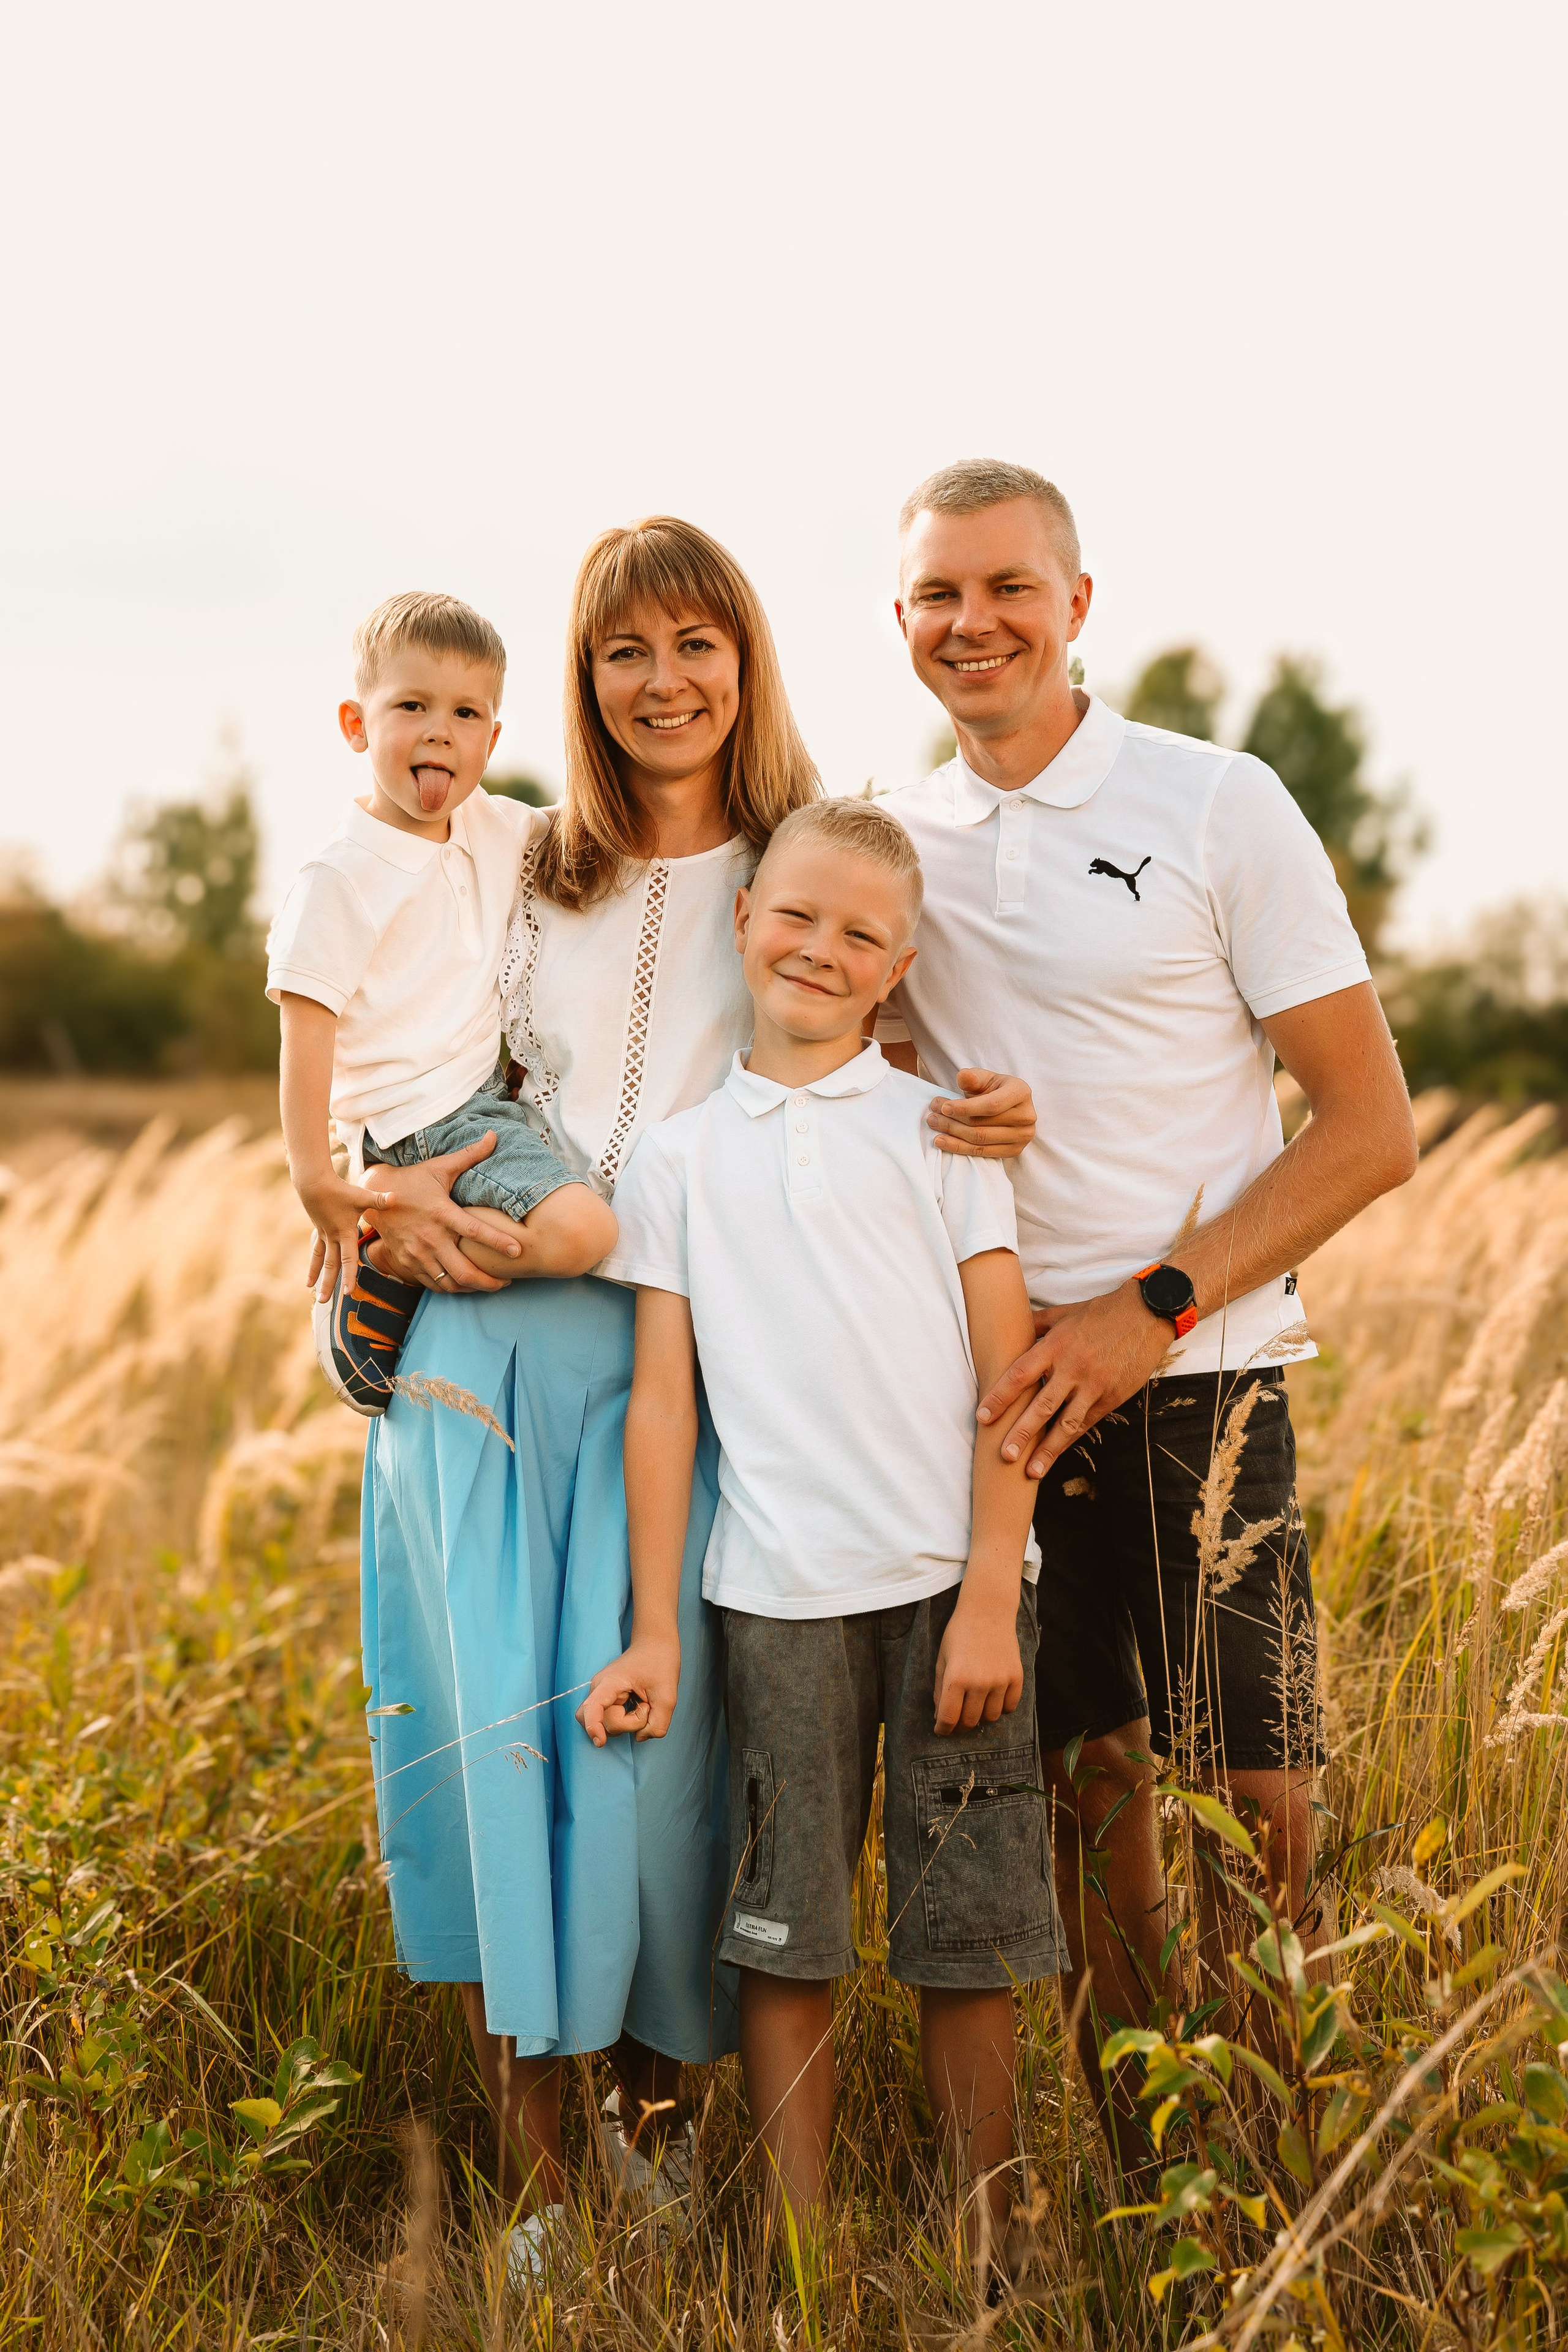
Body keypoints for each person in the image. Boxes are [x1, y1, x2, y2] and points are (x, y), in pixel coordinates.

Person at [337, 519, 1041, 2275]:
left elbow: (922, 1036)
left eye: (696, 644)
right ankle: (547, 2197)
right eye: (623, 652)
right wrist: (361, 1227)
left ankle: (656, 2148)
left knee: (660, 1797)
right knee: (506, 1774)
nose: (664, 683)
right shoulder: (511, 858)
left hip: (691, 1396)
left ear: (748, 658)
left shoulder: (804, 855)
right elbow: (390, 1048)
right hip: (490, 1374)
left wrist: (998, 1109)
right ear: (581, 685)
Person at [877, 459, 1419, 2171]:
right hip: (1010, 1398)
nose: (974, 624)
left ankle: (1279, 2176)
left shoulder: (1216, 803)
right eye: (937, 598)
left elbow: (1371, 1127)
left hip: (1205, 1373)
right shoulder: (896, 840)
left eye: (1008, 588)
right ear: (903, 625)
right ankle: (1149, 2188)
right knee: (1091, 1797)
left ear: (1079, 604)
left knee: (1257, 1803)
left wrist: (1149, 1312)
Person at [580, 797, 1066, 2263]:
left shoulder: (940, 1137)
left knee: (963, 1930)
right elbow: (662, 1409)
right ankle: (809, 2243)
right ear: (743, 920)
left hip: (948, 1593)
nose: (819, 948)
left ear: (898, 963)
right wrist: (660, 1626)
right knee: (785, 1926)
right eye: (794, 914)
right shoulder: (672, 1162)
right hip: (773, 1597)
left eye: (862, 934)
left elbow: (1008, 1379)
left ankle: (989, 2241)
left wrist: (992, 1587)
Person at [267, 591, 616, 1417]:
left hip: (490, 1101)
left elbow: (600, 833)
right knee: (588, 1235)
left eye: (466, 713)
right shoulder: (340, 877)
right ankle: (383, 1255)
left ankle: (406, 1259)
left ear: (491, 741)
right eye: (412, 706)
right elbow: (306, 1032)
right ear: (357, 726)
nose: (439, 731)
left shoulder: (495, 828)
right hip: (418, 1120)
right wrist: (317, 1178)